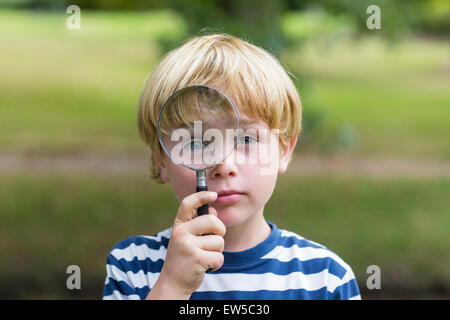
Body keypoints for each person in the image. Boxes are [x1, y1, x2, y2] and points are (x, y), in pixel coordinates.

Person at [102, 33, 361, 300]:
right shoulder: (133, 267)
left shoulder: (325, 279)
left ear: (284, 150)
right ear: (161, 158)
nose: (224, 166)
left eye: (246, 139)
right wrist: (172, 287)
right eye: (197, 142)